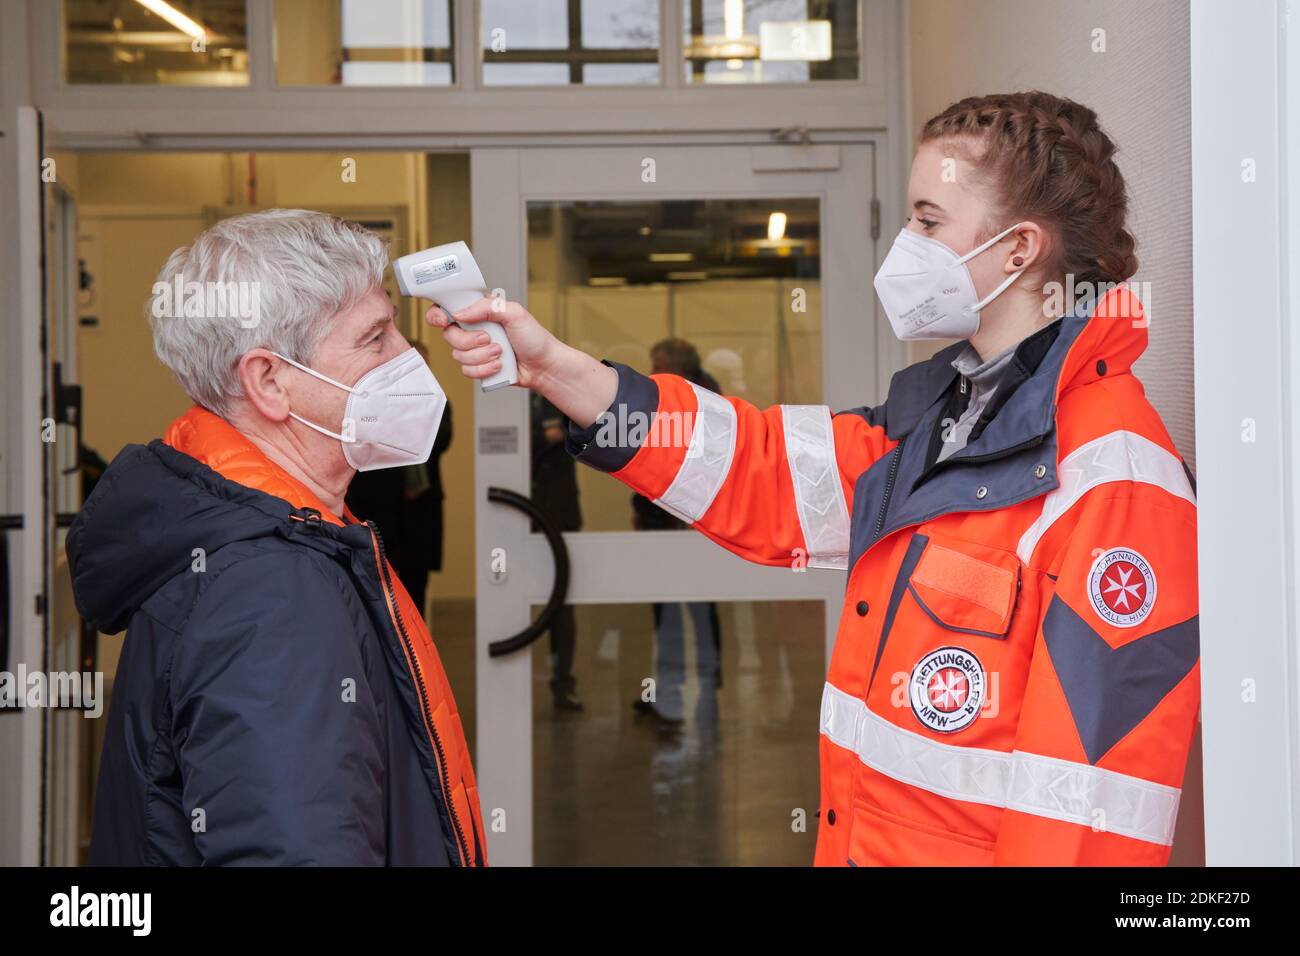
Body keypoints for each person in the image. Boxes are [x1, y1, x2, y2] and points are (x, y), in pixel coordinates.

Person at [431, 92, 1200, 866]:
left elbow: (1084, 822)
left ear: (1018, 249)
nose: (906, 244)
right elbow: (754, 466)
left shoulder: (1116, 483)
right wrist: (563, 374)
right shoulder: (935, 420)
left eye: (928, 222)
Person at [67, 209, 486, 866]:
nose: (409, 358)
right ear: (268, 381)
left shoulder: (264, 534)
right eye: (375, 339)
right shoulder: (270, 587)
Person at [631, 338, 723, 729]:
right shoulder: (658, 395)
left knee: (698, 611)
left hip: (694, 522)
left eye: (659, 363)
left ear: (680, 366)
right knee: (667, 614)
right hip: (660, 523)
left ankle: (706, 681)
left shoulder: (707, 402)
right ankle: (669, 692)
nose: (652, 369)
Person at [346, 341, 453, 618]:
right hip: (382, 508)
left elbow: (435, 442)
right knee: (382, 583)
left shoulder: (436, 402)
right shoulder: (371, 402)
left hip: (421, 510)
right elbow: (373, 443)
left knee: (417, 583)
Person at [531, 392, 584, 711]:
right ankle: (507, 687)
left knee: (562, 604)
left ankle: (563, 682)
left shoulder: (562, 393)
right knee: (510, 598)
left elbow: (582, 433)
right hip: (518, 511)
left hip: (560, 513)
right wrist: (543, 436)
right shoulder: (509, 399)